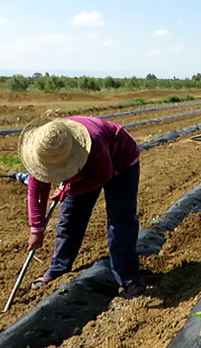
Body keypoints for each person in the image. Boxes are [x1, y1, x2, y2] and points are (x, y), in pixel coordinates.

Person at [18, 115, 145, 296]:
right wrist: (36, 229)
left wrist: (69, 189)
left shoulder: (92, 143)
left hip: (120, 161)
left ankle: (127, 277)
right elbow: (36, 192)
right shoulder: (42, 152)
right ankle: (58, 269)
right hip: (89, 164)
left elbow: (103, 175)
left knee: (121, 219)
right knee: (70, 218)